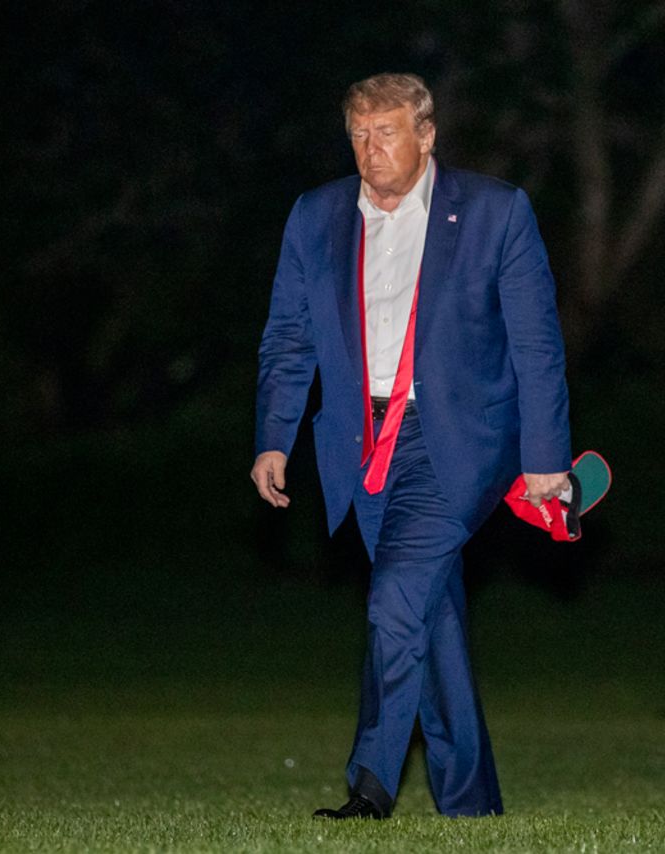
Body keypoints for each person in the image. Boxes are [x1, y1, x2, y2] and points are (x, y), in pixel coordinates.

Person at [251, 72, 571, 819]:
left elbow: (537, 343)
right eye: (359, 136)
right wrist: (274, 437)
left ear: (426, 135)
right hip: (360, 442)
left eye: (386, 133)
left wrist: (546, 456)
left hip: (455, 439)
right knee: (431, 617)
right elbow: (289, 337)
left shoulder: (495, 212)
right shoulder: (316, 216)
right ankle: (470, 801)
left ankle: (369, 785)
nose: (371, 151)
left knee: (395, 599)